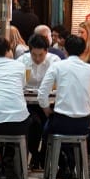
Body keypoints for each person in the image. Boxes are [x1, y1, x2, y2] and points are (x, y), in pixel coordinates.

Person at [37, 35, 90, 171]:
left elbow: (42, 94)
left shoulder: (58, 66)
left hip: (62, 123)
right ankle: (73, 166)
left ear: (65, 50)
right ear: (84, 51)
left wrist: (47, 110)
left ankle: (52, 166)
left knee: (47, 131)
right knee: (75, 138)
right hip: (83, 124)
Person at [18, 33, 58, 167]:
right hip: (28, 104)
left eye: (41, 55)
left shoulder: (55, 61)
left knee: (50, 125)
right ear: (29, 51)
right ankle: (34, 154)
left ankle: (44, 157)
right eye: (34, 54)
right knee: (34, 124)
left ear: (47, 51)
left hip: (49, 103)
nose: (37, 58)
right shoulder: (22, 61)